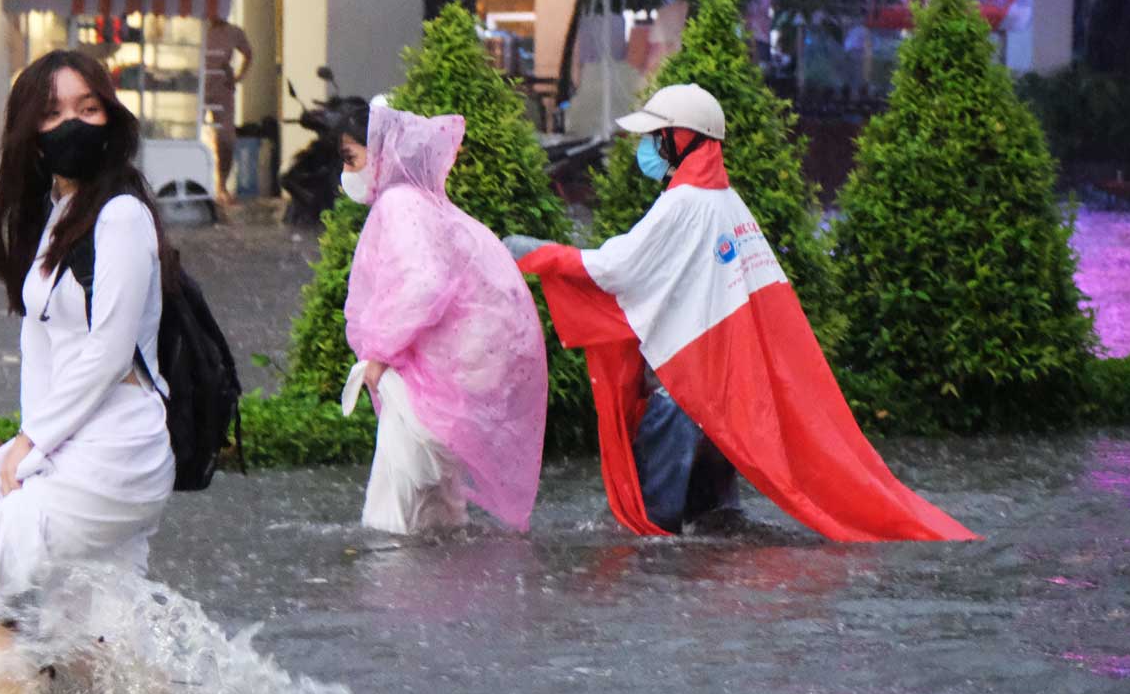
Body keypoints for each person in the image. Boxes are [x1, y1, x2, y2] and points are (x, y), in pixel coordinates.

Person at [505, 83, 977, 542]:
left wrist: (541, 254)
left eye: (655, 136)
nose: (647, 147)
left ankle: (654, 532)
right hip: (724, 388)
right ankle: (711, 514)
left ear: (679, 138)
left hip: (693, 385)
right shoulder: (725, 201)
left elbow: (617, 268)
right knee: (714, 521)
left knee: (653, 532)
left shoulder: (686, 202)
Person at [0, 50, 176, 694]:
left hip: (113, 449)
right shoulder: (66, 214)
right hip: (91, 448)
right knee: (98, 646)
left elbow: (109, 348)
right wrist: (27, 448)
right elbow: (51, 353)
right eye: (53, 112)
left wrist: (34, 439)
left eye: (88, 109)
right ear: (28, 131)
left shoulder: (118, 214)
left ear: (112, 118)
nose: (73, 124)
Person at [338, 100, 548, 535]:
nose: (349, 171)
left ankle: (389, 600)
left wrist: (378, 352)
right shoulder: (429, 203)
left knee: (391, 521)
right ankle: (441, 594)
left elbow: (424, 284)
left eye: (352, 158)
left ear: (380, 154)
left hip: (430, 385)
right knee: (439, 512)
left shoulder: (399, 204)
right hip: (459, 385)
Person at [203, 14, 253, 205]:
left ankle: (221, 185)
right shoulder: (200, 27)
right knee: (188, 134)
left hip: (222, 88)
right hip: (198, 85)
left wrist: (238, 78)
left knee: (225, 138)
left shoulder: (233, 32)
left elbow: (249, 54)